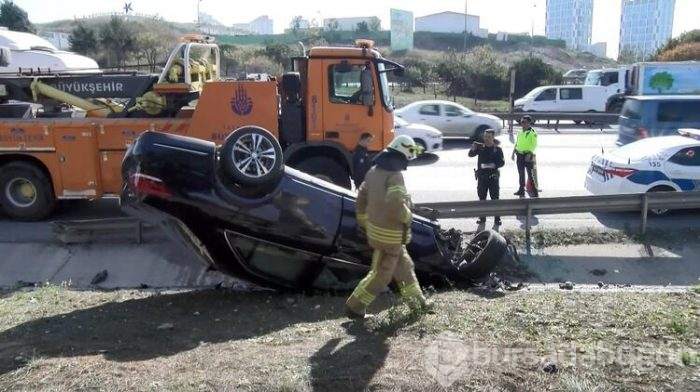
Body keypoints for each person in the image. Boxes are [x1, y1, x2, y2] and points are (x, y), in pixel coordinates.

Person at [345, 135, 432, 320]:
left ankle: (418, 304)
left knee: (405, 268)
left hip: (377, 232)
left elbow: (361, 198)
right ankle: (355, 307)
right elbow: (394, 204)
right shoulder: (395, 175)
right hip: (390, 236)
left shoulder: (373, 171)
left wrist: (363, 221)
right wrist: (408, 217)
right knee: (381, 275)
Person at [468, 129, 504, 225]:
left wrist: (493, 165)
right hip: (482, 177)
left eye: (488, 137)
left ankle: (497, 219)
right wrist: (472, 148)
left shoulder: (497, 149)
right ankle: (482, 218)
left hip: (493, 177)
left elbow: (502, 162)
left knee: (495, 199)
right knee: (482, 198)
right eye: (485, 136)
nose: (486, 139)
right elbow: (470, 155)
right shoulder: (481, 148)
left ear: (493, 137)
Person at [511, 115, 539, 197]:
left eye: (524, 122)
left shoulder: (532, 132)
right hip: (519, 154)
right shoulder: (520, 132)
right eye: (521, 122)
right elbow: (517, 143)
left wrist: (529, 153)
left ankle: (535, 191)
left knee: (530, 174)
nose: (522, 123)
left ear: (528, 123)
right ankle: (521, 190)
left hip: (528, 155)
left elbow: (534, 144)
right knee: (521, 173)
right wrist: (513, 153)